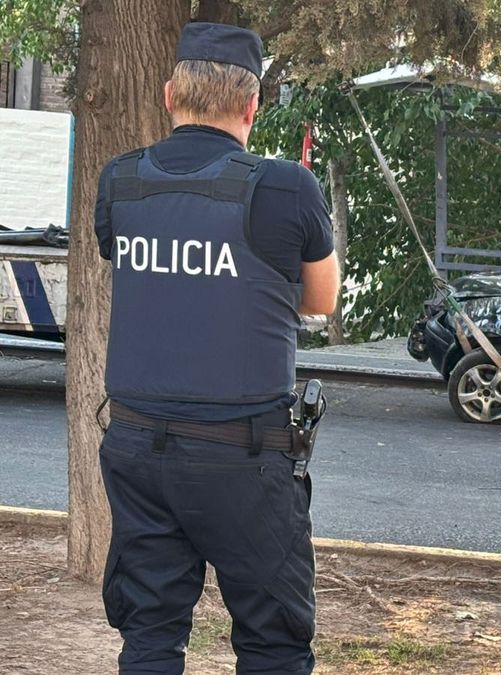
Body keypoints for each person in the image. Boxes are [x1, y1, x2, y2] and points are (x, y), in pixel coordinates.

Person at [93, 22, 339, 674]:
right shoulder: (287, 188)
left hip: (139, 451)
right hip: (245, 460)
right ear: (252, 105)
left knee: (149, 636)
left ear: (170, 93)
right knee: (274, 644)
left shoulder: (121, 181)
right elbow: (322, 300)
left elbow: (140, 265)